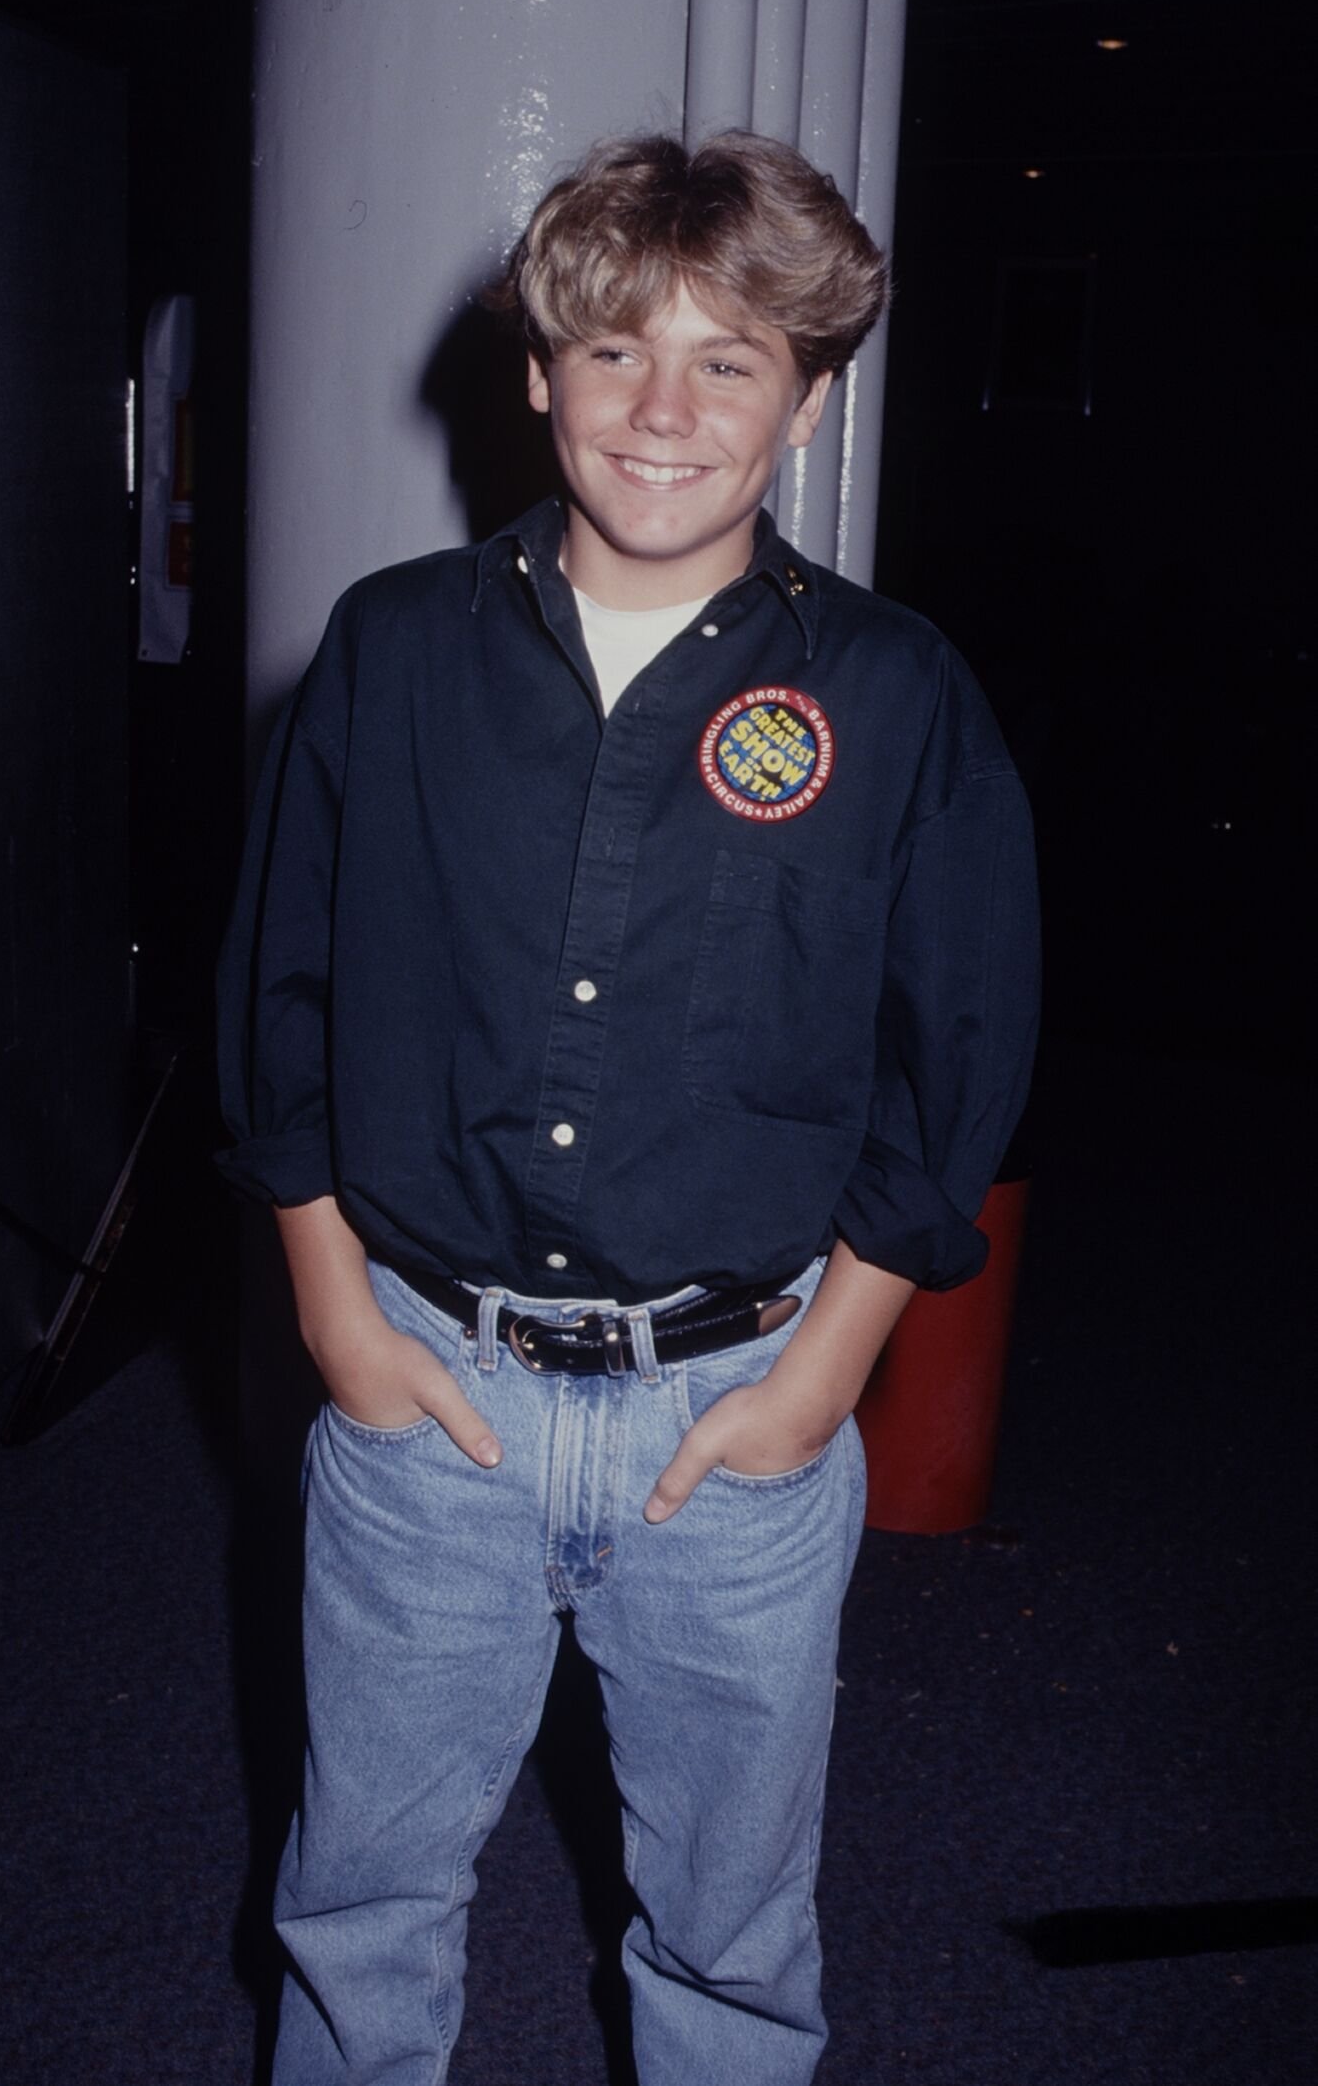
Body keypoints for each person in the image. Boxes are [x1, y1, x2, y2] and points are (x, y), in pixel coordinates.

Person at [217, 130, 1039, 2085]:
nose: (662, 413)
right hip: (430, 1395)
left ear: (809, 396)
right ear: (537, 370)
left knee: (735, 1929)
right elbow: (282, 997)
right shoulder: (394, 650)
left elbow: (962, 1058)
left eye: (730, 361)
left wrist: (827, 1377)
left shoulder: (900, 696)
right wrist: (336, 1311)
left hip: (734, 1418)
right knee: (364, 1888)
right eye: (614, 355)